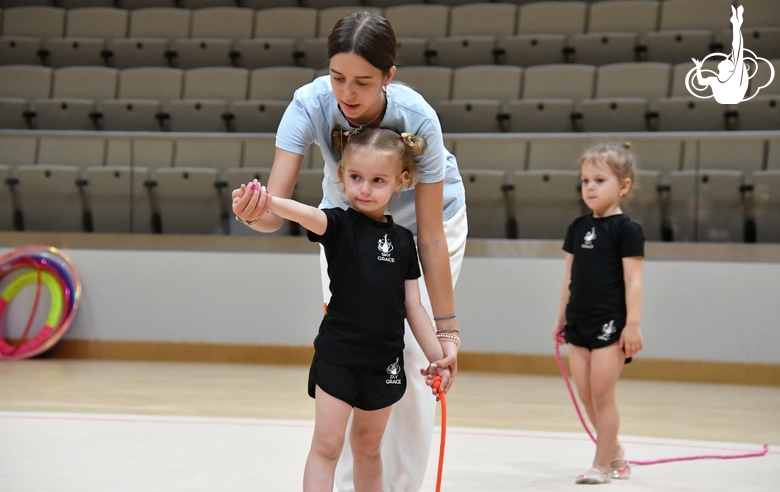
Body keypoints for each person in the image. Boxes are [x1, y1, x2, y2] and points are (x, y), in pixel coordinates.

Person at [232, 11, 467, 492]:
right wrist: (254, 210)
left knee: (405, 349)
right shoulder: (309, 105)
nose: (347, 93)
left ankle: (400, 485)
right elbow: (274, 213)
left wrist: (449, 336)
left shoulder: (419, 117)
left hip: (426, 227)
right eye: (338, 77)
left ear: (389, 76)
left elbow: (428, 236)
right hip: (346, 225)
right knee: (351, 338)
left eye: (363, 81)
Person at [552, 142, 645, 485]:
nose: (590, 187)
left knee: (603, 395)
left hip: (610, 325)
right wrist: (561, 317)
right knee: (587, 396)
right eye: (585, 180)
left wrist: (632, 326)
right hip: (579, 322)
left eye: (599, 180)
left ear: (623, 186)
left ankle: (601, 466)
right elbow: (569, 277)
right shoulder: (577, 228)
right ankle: (616, 452)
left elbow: (633, 281)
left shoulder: (627, 230)